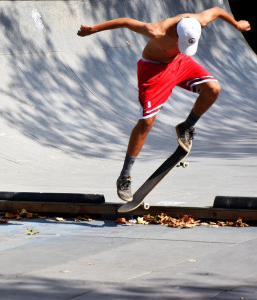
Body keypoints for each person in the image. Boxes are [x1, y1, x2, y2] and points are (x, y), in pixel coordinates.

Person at [77, 7, 251, 201]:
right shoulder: (156, 30)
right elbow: (125, 21)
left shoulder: (197, 21)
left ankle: (186, 126)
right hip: (153, 72)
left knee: (214, 89)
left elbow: (218, 10)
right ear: (175, 33)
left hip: (179, 63)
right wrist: (93, 29)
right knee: (147, 122)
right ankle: (124, 176)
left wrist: (236, 25)